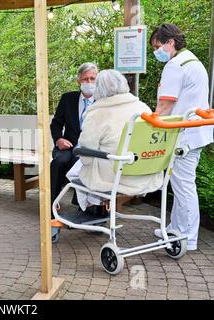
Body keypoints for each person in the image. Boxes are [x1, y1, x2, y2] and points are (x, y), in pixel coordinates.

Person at [150, 23, 213, 251]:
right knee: (179, 184)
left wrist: (149, 125)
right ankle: (175, 227)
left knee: (184, 186)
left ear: (171, 43)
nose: (156, 51)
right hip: (194, 133)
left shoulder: (175, 65)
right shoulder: (193, 62)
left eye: (158, 46)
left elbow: (165, 105)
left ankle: (186, 236)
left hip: (184, 136)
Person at [66, 70, 163, 212]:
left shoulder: (96, 113)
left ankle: (91, 210)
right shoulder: (143, 108)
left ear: (98, 89)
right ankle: (98, 211)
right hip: (146, 174)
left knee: (78, 170)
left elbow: (86, 155)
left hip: (115, 177)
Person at [50, 62, 98, 210]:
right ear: (79, 81)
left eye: (92, 78)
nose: (89, 82)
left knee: (82, 162)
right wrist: (59, 139)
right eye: (85, 79)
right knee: (58, 162)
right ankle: (52, 203)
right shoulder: (68, 99)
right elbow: (56, 123)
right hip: (68, 146)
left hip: (90, 149)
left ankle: (82, 209)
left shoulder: (103, 101)